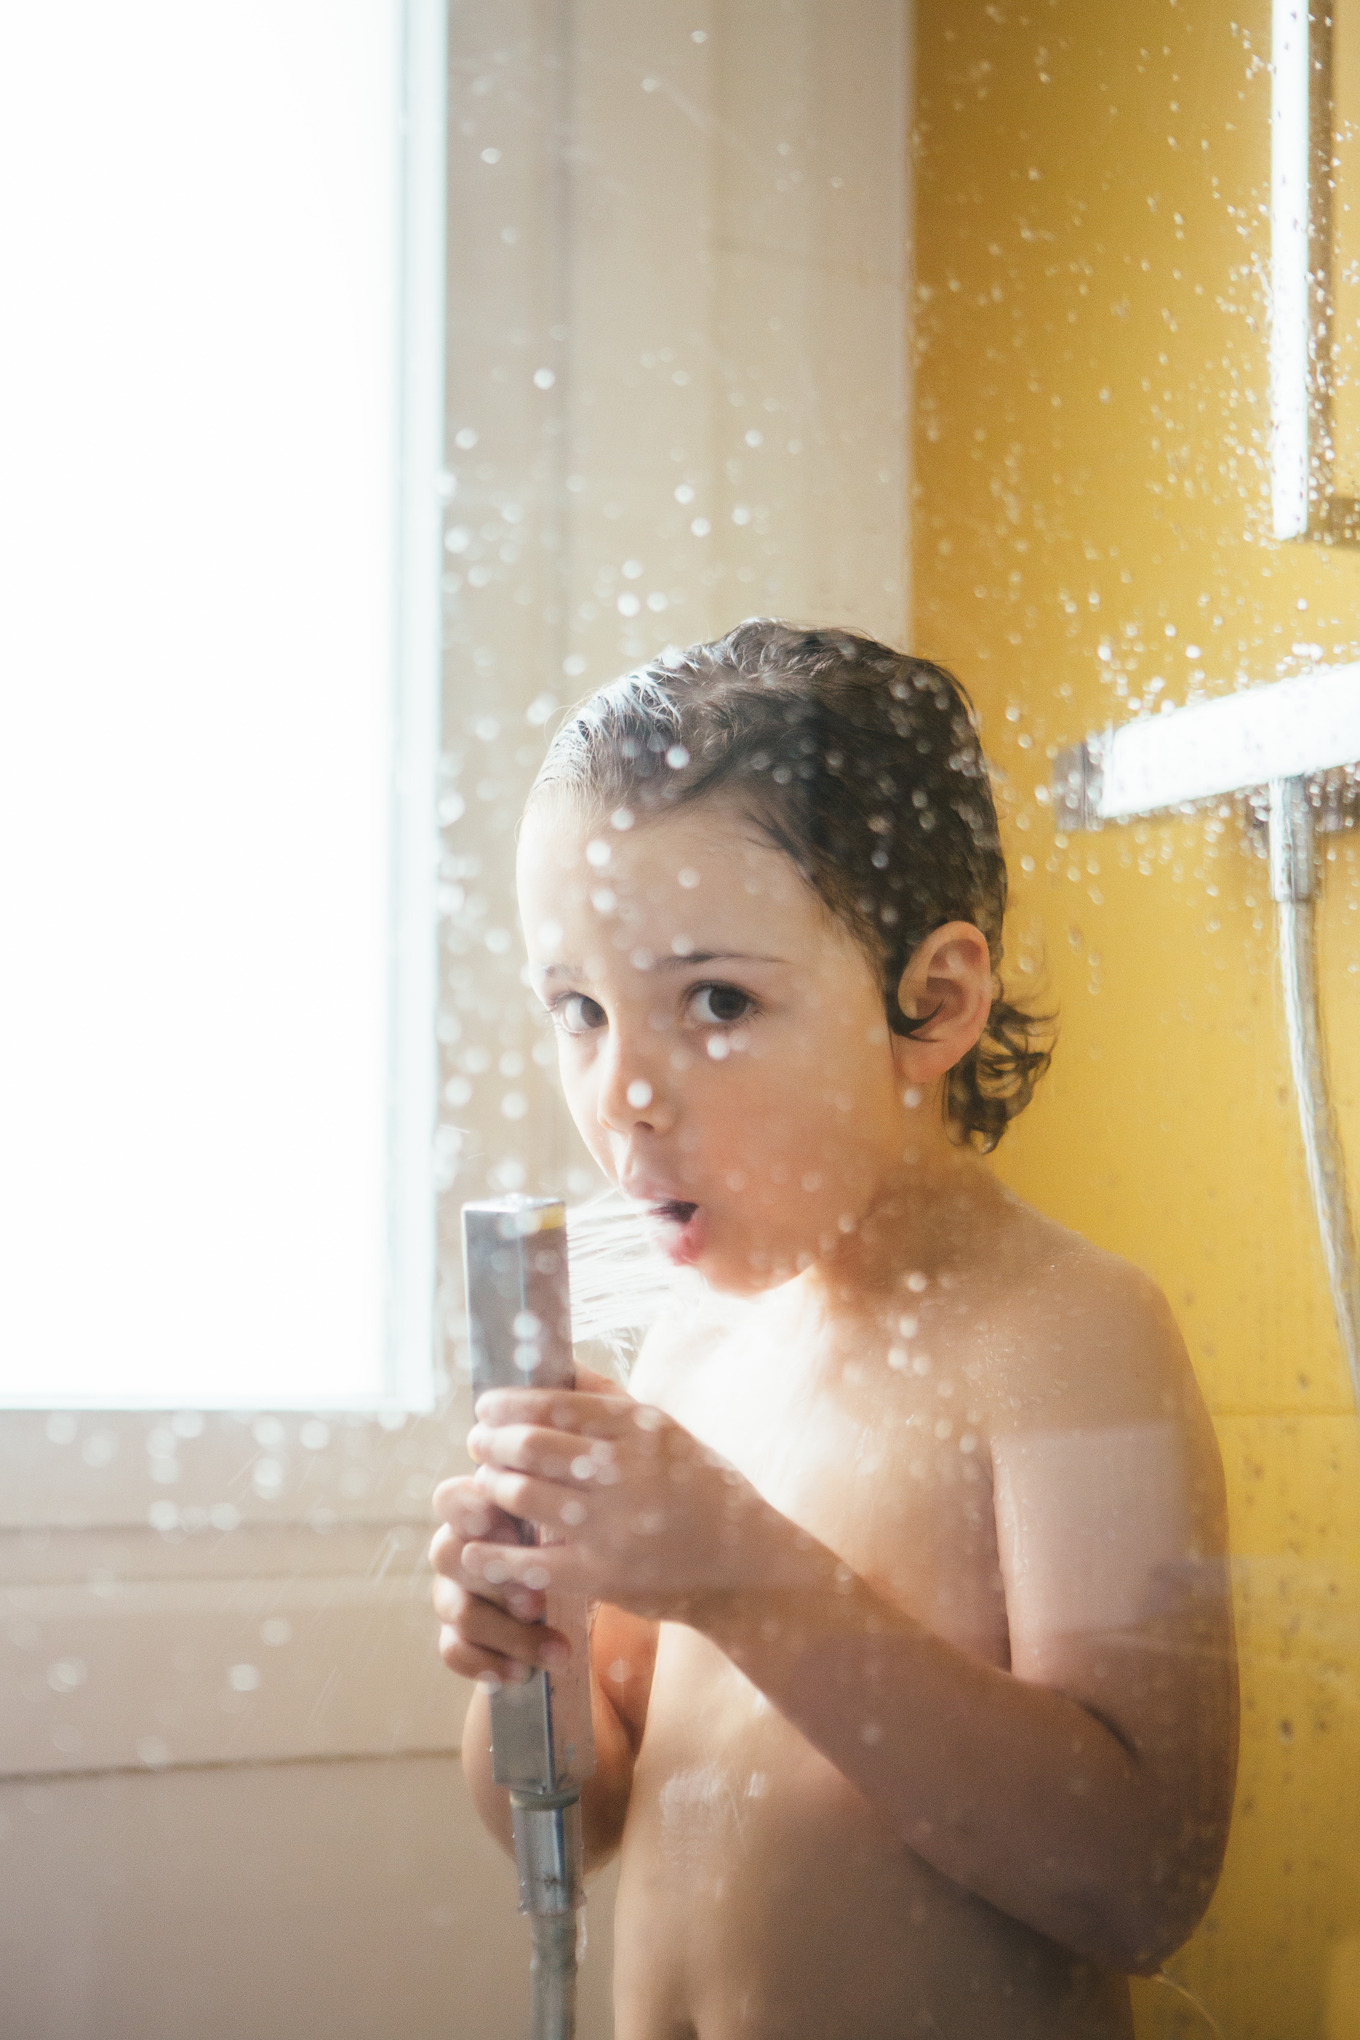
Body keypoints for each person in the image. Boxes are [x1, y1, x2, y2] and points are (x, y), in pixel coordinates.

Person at [430, 620, 1238, 2039]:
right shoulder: (692, 1353)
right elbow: (583, 1810)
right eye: (580, 1010)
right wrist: (533, 1658)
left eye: (717, 1001)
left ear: (931, 1005)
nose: (622, 1093)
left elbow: (1140, 1880)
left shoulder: (1061, 1336)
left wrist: (741, 1575)